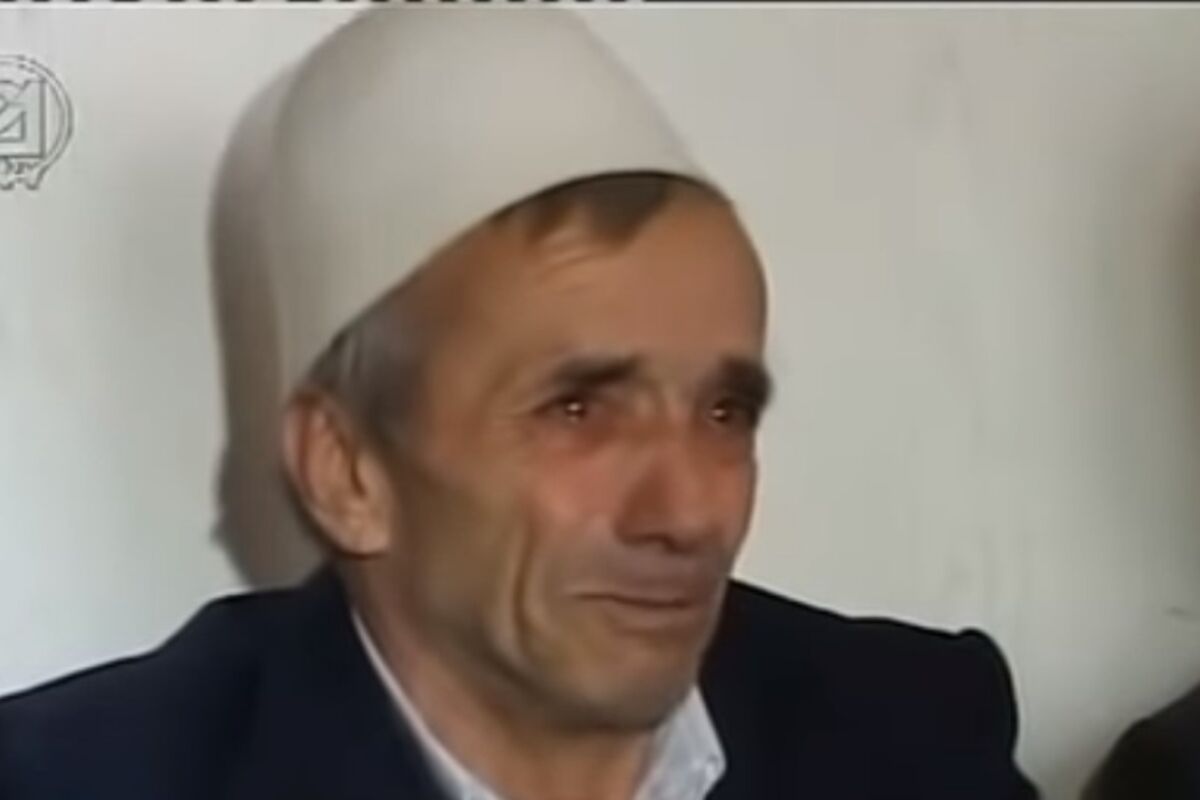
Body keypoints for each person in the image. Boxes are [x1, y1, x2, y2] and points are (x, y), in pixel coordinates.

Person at [0, 8, 1039, 800]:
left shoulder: (910, 734)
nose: (691, 514)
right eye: (579, 410)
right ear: (346, 469)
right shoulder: (78, 777)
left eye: (724, 412)